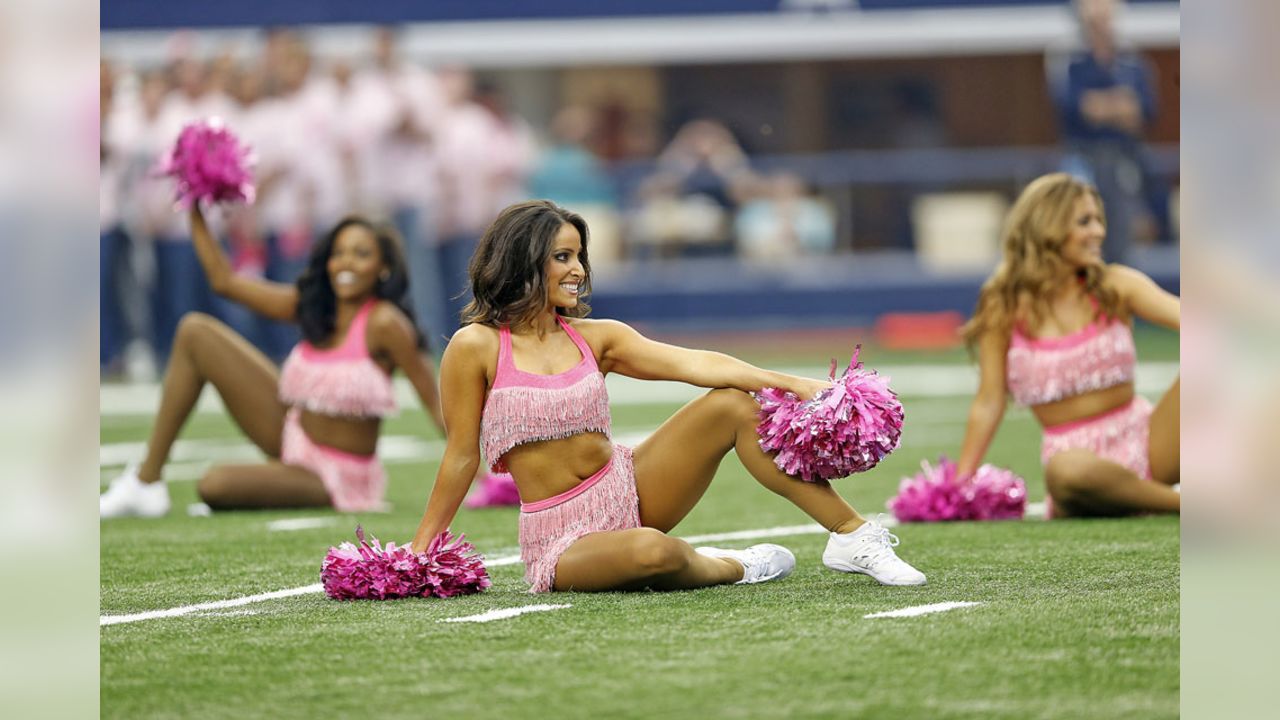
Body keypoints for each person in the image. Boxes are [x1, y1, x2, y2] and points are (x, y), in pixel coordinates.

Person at [407, 200, 925, 592]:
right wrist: (419, 553)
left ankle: (852, 536)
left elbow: (698, 364)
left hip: (631, 486)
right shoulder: (475, 347)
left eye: (579, 257)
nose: (579, 270)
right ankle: (735, 565)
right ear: (523, 262)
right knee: (653, 553)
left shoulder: (596, 337)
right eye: (562, 257)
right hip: (559, 537)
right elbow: (460, 455)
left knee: (732, 404)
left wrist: (794, 383)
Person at [100, 205, 446, 518]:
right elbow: (224, 282)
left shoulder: (385, 322)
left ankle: (266, 482)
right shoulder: (315, 306)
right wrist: (195, 211)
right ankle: (146, 481)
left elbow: (433, 399)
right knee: (195, 331)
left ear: (383, 267)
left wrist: (477, 469)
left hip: (336, 476)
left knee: (214, 484)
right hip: (290, 436)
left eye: (361, 254)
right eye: (338, 253)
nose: (346, 263)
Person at [955, 173, 1179, 518]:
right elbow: (988, 401)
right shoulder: (1003, 304)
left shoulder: (1116, 284)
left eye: (1099, 221)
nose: (1099, 232)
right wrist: (959, 484)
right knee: (1066, 470)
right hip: (1076, 466)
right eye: (1085, 222)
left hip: (1149, 442)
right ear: (1049, 227)